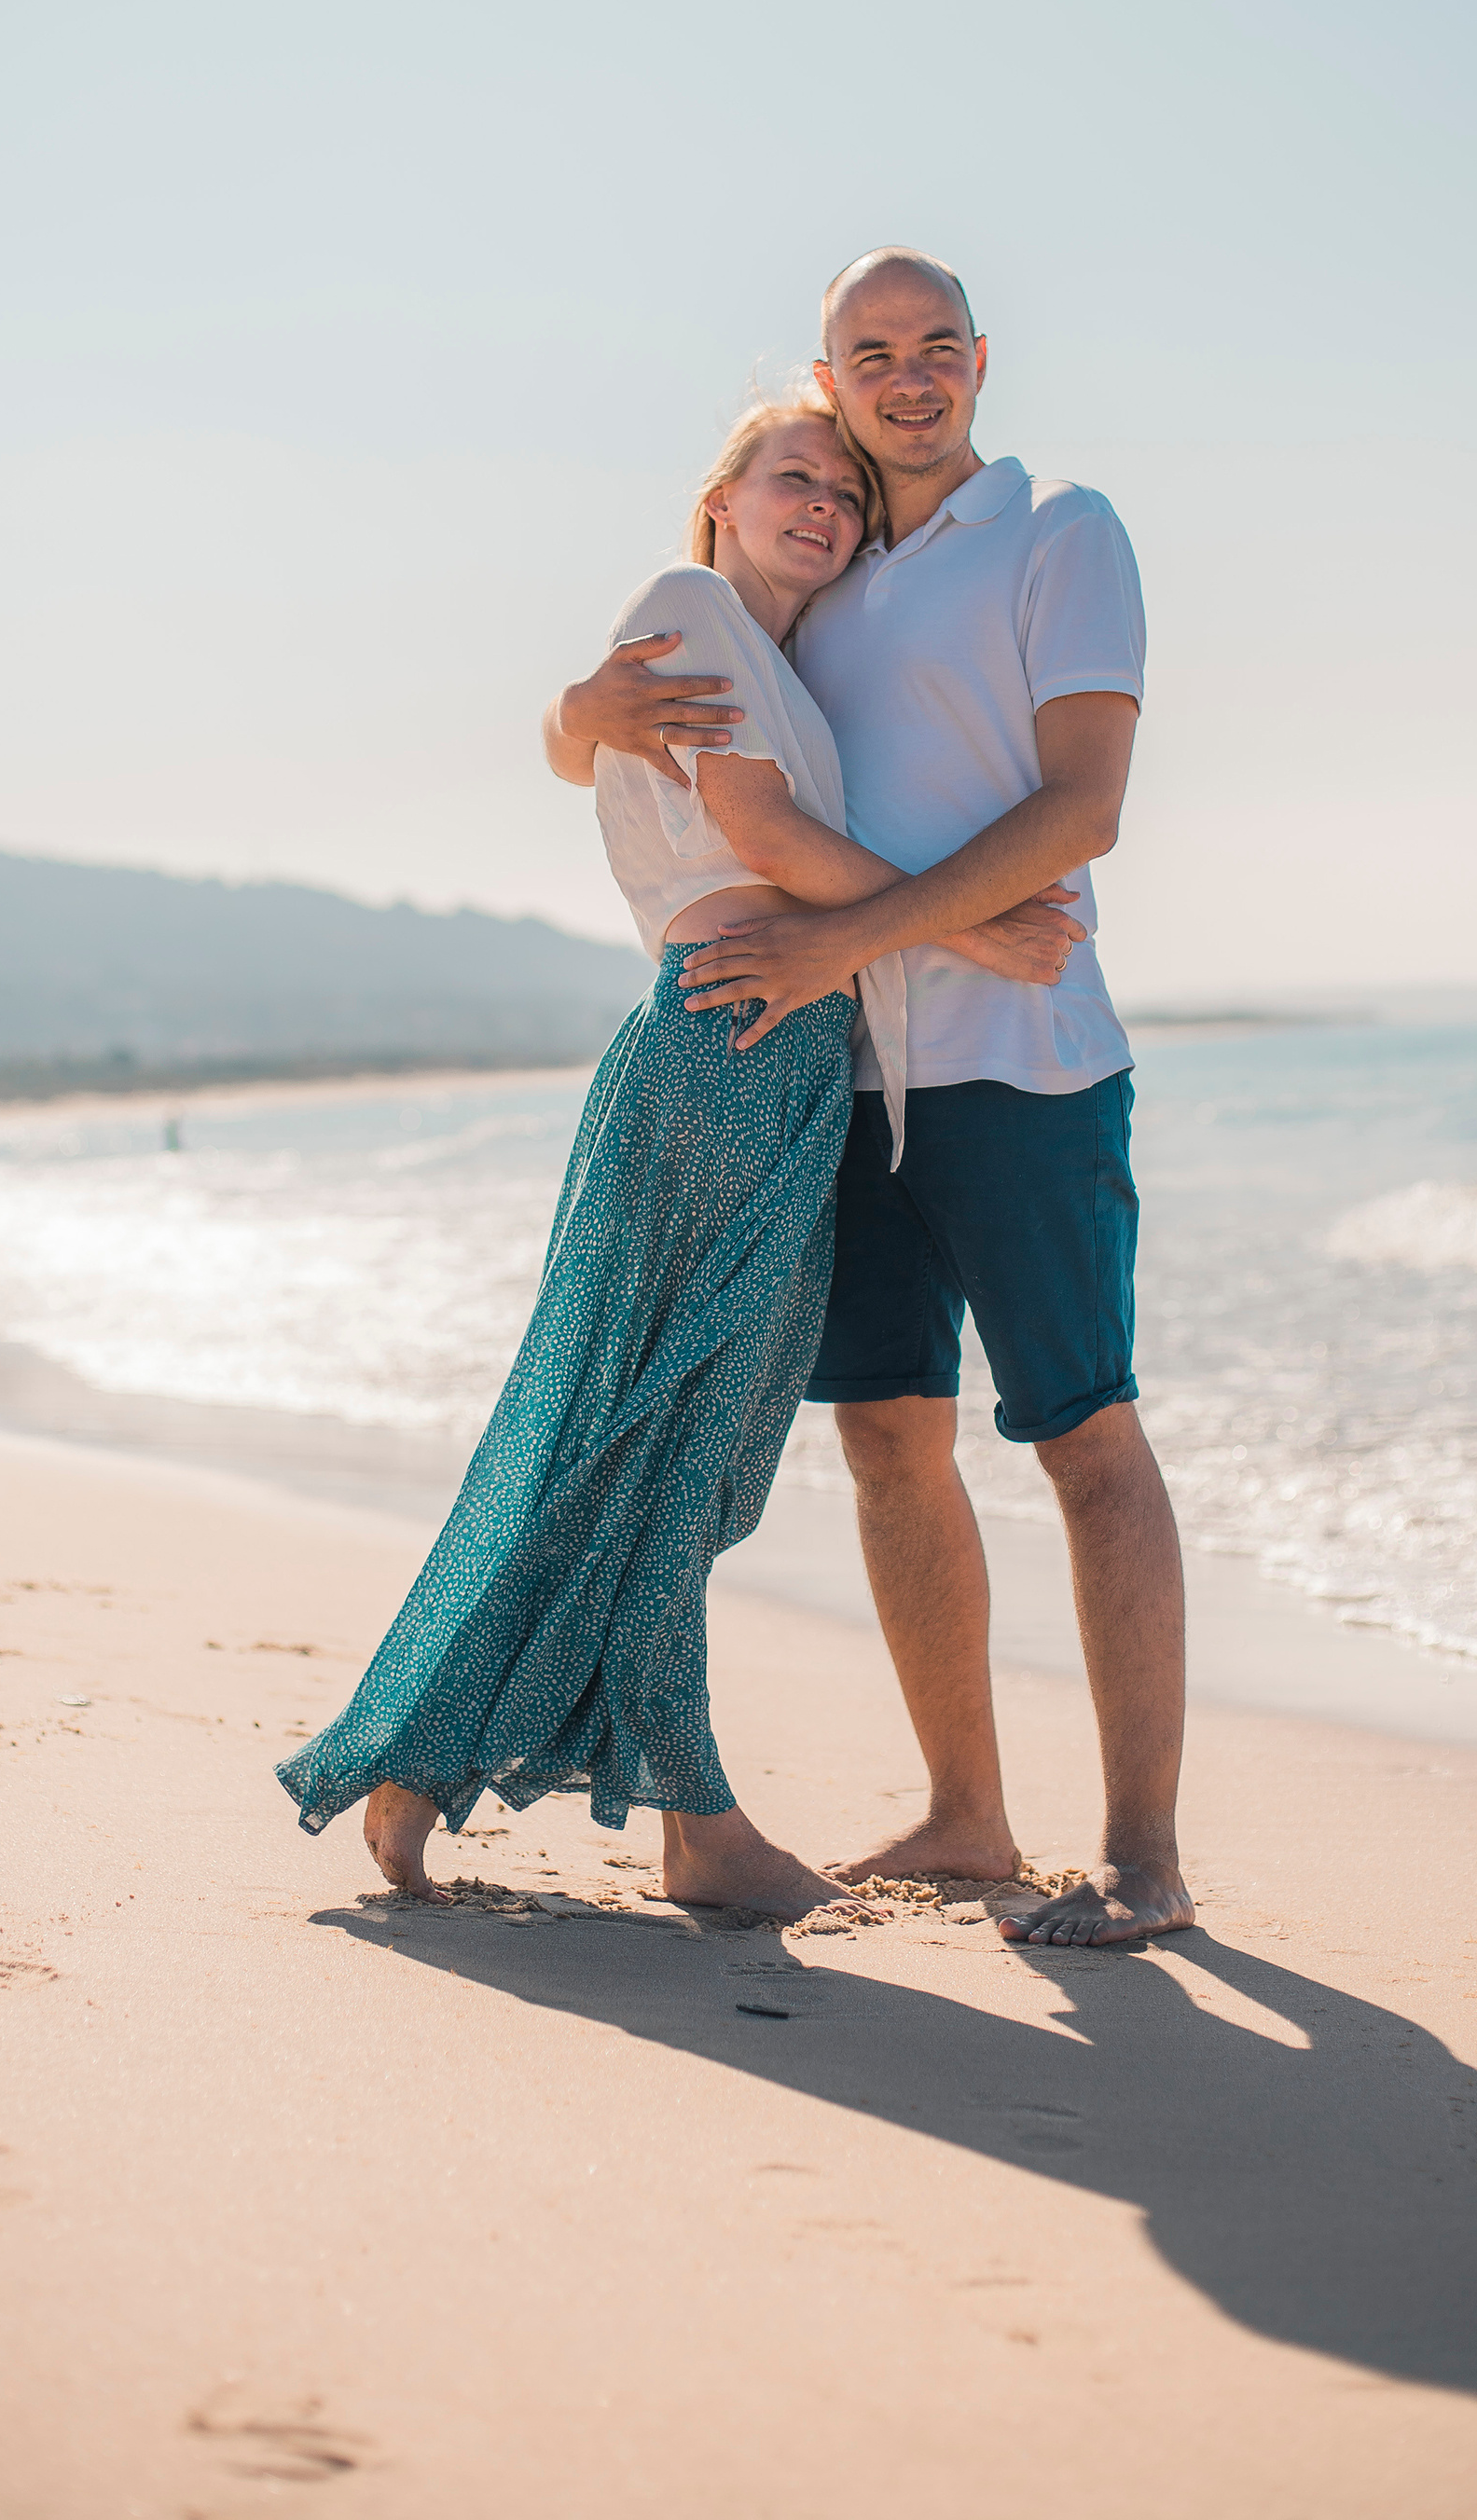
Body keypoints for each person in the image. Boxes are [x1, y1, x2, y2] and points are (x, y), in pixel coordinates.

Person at [279, 388, 1077, 1918]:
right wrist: (980, 917)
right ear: (719, 496)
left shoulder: (769, 660)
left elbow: (615, 761)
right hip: (725, 1048)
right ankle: (688, 1818)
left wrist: (573, 721)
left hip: (775, 1066)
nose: (827, 504)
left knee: (660, 1441)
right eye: (796, 474)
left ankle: (422, 1758)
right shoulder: (690, 603)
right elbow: (765, 838)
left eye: (846, 491)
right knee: (667, 1433)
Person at [546, 250, 1193, 1949]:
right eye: (867, 357)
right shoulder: (811, 574)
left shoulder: (1063, 529)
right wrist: (572, 713)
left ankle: (1144, 1854)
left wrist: (880, 935)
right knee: (890, 1436)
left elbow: (1087, 808)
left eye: (931, 349)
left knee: (1084, 1435)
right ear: (830, 384)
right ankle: (970, 1816)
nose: (903, 380)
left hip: (1026, 1062)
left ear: (980, 361)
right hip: (839, 1079)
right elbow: (673, 740)